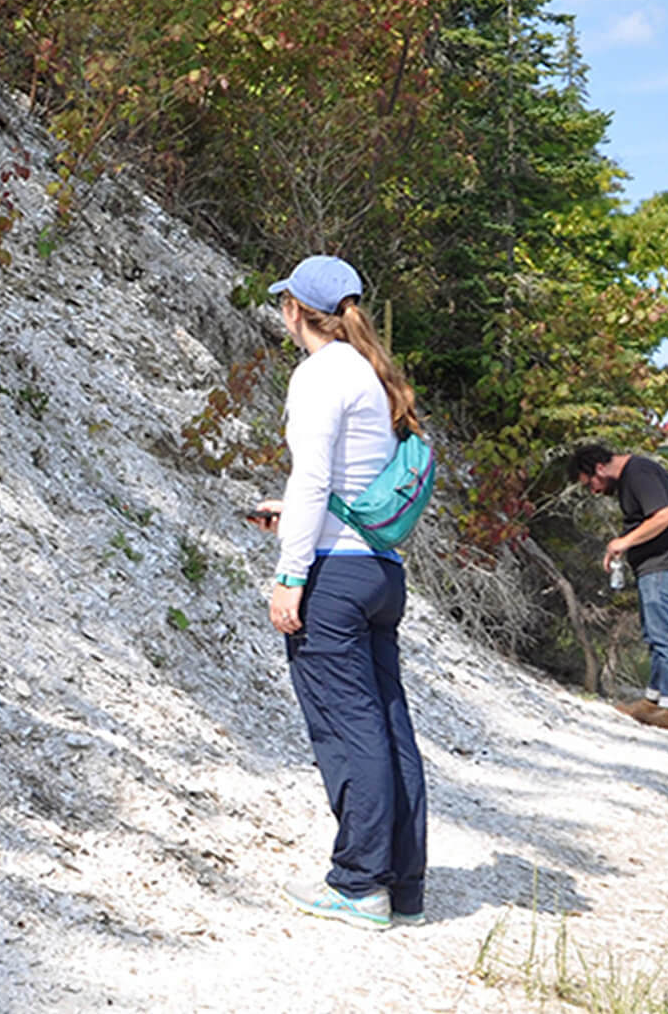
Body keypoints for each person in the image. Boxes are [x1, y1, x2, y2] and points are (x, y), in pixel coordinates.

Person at [253, 254, 427, 933]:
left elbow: (313, 477)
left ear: (295, 309)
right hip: (379, 570)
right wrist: (297, 519)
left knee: (348, 731)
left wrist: (290, 574)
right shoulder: (373, 375)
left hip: (334, 578)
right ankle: (403, 886)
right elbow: (349, 484)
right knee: (387, 725)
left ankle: (358, 885)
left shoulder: (320, 373)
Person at [567, 443, 668, 731]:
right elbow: (645, 521)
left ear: (599, 468)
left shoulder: (639, 472)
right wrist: (621, 547)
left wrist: (624, 542)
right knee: (655, 633)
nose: (594, 491)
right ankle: (654, 701)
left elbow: (663, 516)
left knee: (665, 635)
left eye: (590, 483)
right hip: (654, 568)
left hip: (665, 566)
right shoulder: (631, 478)